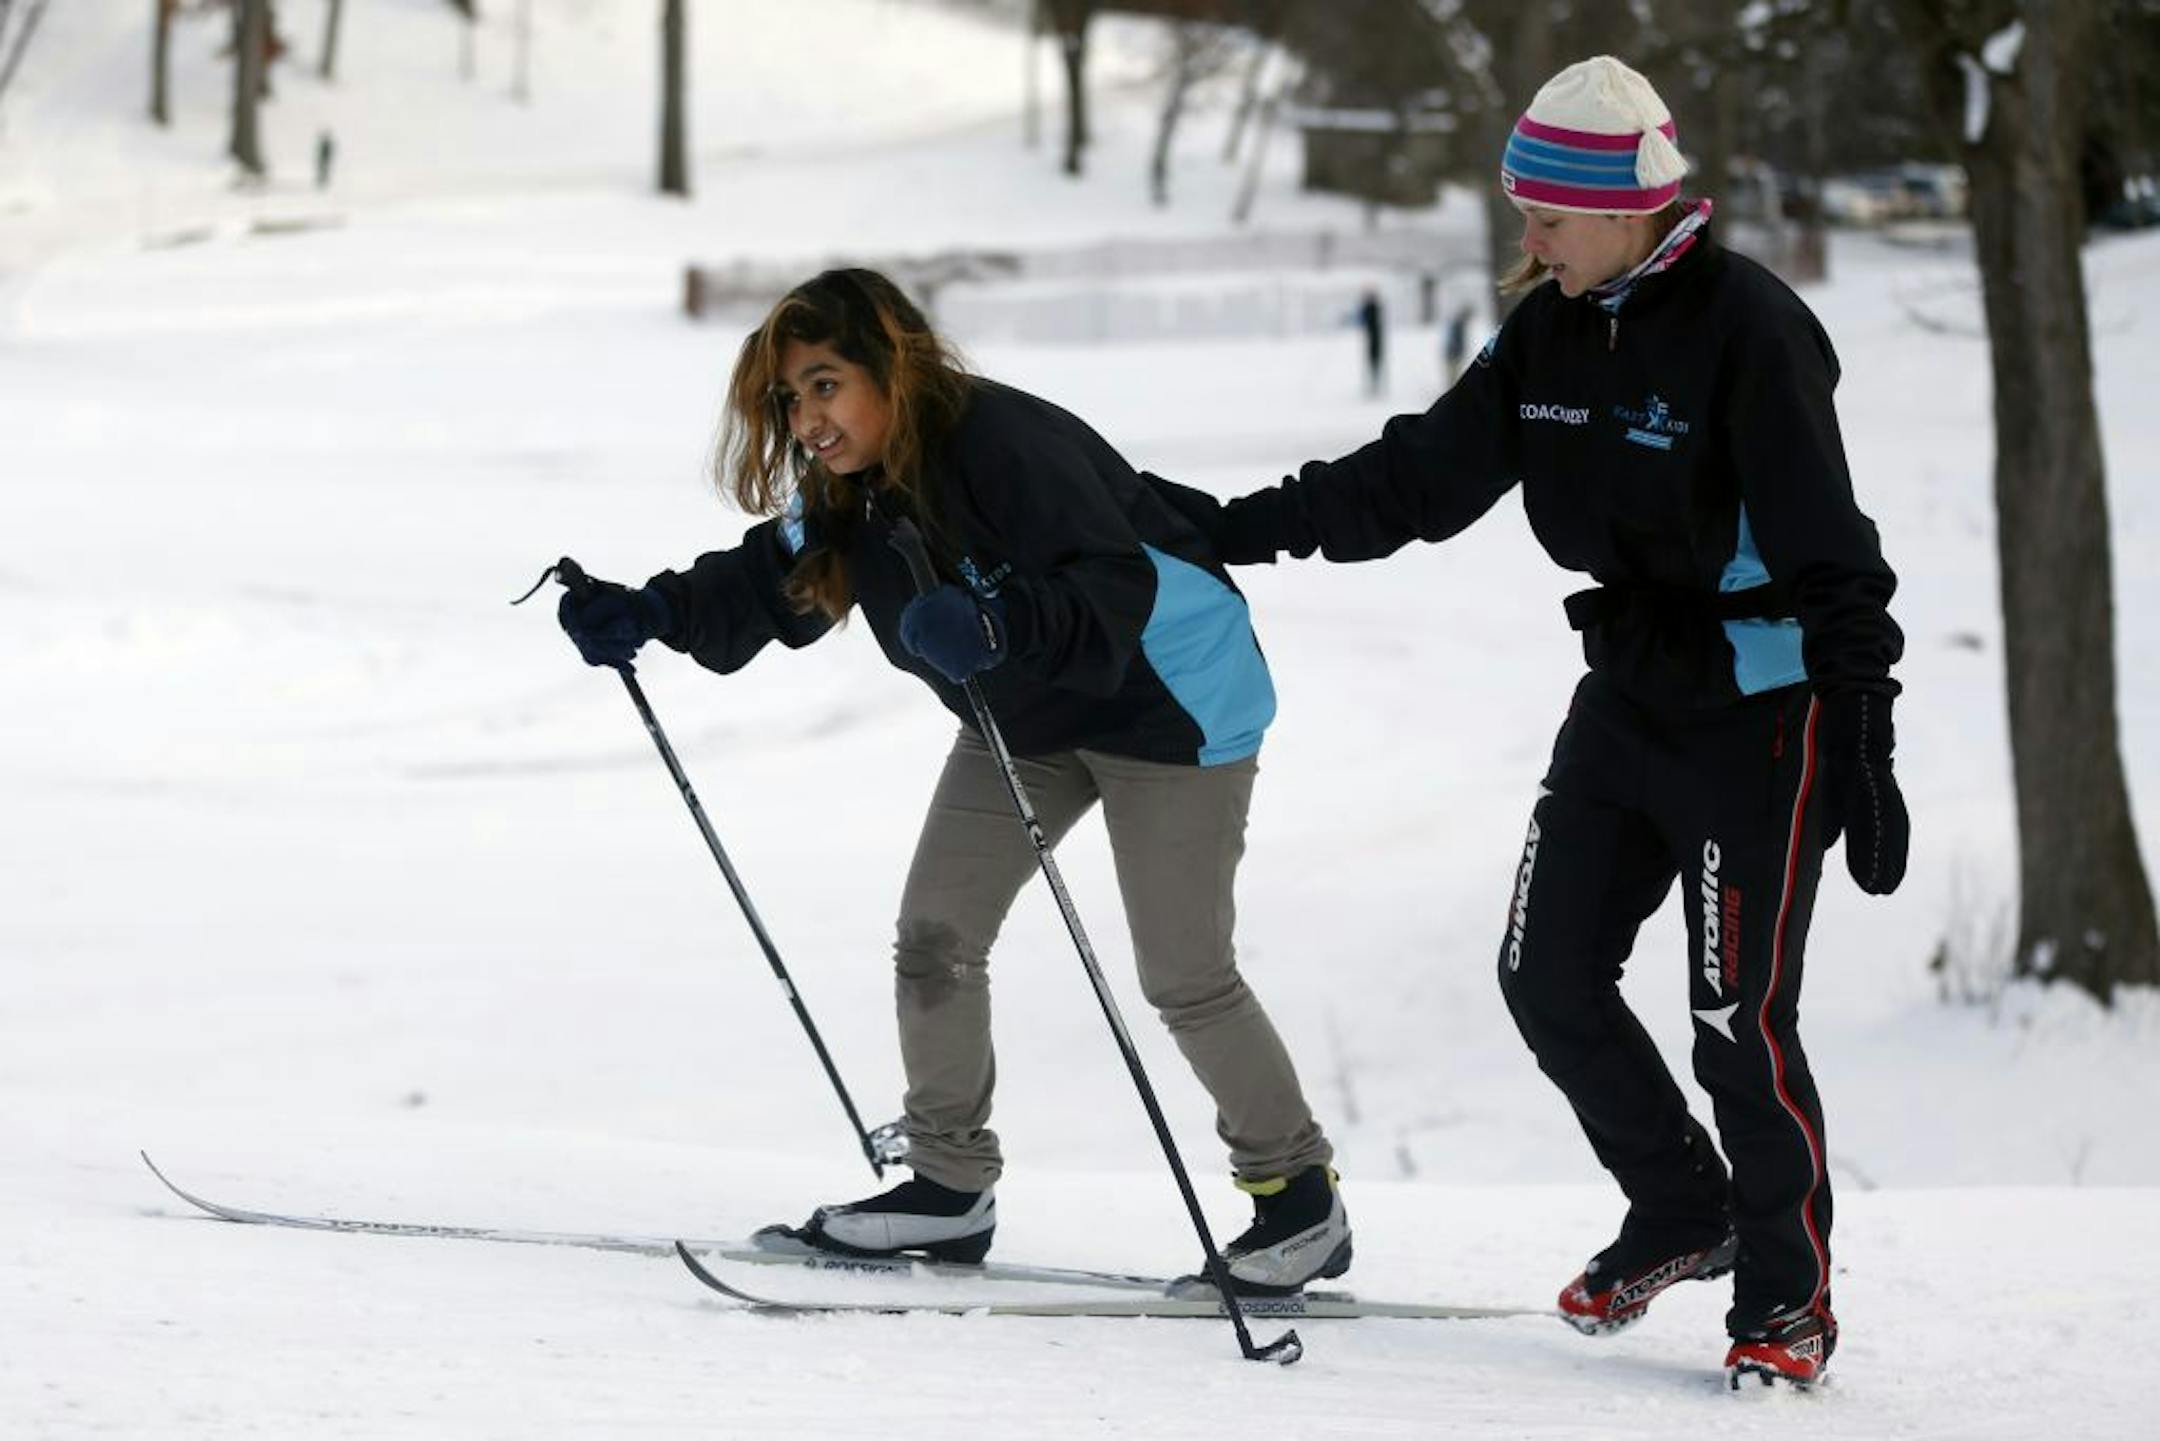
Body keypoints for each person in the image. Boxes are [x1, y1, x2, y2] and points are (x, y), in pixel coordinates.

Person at [1151, 56, 1907, 1386]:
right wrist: (1230, 531)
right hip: (1626, 698)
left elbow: (1834, 548)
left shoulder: (1748, 328)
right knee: (1544, 974)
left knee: (1739, 1022)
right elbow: (1415, 481)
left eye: (1548, 213)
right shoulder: (1550, 332)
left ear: (1629, 209)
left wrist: (1863, 720)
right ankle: (1682, 1207)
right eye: (1523, 211)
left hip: (1760, 713)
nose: (1527, 236)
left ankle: (1785, 1305)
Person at [556, 268, 1350, 1294]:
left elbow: (1111, 577)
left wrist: (1000, 622)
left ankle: (1298, 1199)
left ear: (894, 364)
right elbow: (776, 577)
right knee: (936, 935)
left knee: (1183, 972)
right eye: (791, 399)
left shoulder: (1007, 444)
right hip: (1021, 716)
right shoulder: (854, 486)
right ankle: (946, 1182)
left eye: (826, 385)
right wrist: (653, 611)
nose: (807, 419)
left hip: (1169, 704)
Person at [1355, 288, 1386, 397]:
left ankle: (1375, 383)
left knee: (1374, 361)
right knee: (1374, 361)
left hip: (1375, 338)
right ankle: (1374, 383)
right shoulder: (1374, 307)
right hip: (1374, 337)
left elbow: (1362, 320)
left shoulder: (1372, 308)